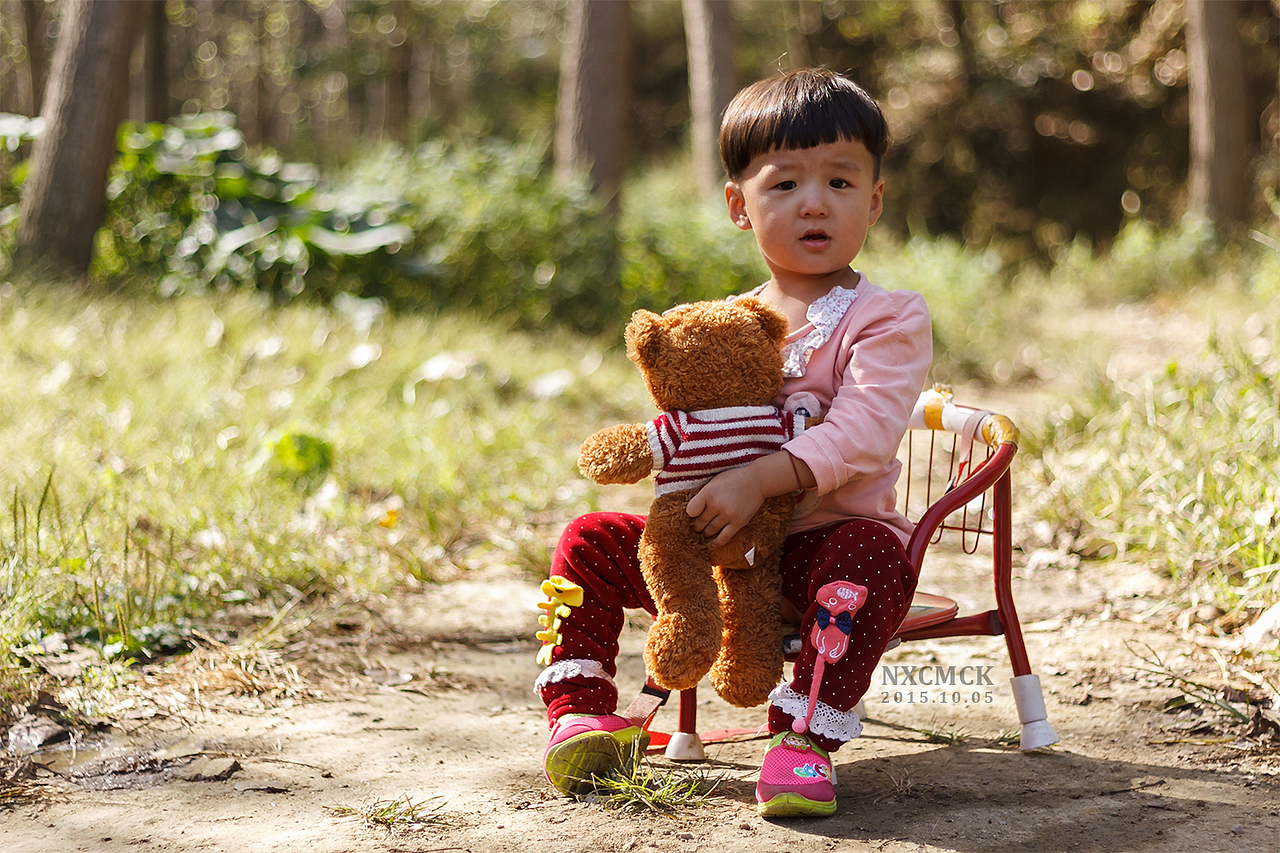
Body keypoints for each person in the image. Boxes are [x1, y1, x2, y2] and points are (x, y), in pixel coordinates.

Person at [533, 68, 932, 818]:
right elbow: (688, 427)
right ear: (737, 206)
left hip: (821, 548)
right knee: (586, 538)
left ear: (874, 201)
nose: (815, 202)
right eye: (784, 184)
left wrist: (762, 477)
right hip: (712, 552)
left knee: (878, 553)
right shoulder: (720, 321)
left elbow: (867, 428)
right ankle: (580, 711)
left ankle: (803, 739)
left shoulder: (888, 318)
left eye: (841, 182)